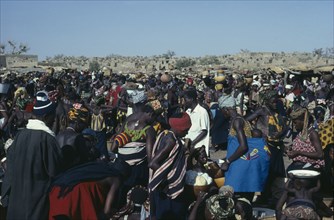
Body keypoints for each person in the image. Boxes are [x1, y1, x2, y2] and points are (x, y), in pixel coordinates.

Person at [1, 90, 64, 220]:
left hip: (16, 200)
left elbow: (10, 167)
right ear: (47, 116)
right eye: (52, 115)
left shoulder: (20, 136)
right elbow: (56, 172)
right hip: (36, 202)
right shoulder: (47, 140)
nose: (54, 118)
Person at [219, 95, 270, 202]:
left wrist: (227, 161)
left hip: (240, 163)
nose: (222, 113)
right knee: (245, 196)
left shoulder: (237, 122)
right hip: (244, 162)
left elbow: (243, 146)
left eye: (221, 110)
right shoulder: (241, 119)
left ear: (226, 109)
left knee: (236, 195)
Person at [49, 157, 131, 220]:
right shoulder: (116, 178)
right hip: (76, 193)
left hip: (60, 190)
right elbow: (107, 210)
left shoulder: (100, 169)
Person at [149, 112, 192, 220]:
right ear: (178, 128)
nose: (187, 133)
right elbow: (153, 163)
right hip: (165, 188)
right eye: (185, 130)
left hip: (165, 187)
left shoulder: (167, 134)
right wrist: (167, 180)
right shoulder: (171, 140)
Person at [184, 89, 210, 155]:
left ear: (191, 99)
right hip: (188, 146)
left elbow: (204, 131)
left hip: (198, 146)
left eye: (185, 99)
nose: (184, 102)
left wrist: (192, 143)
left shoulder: (202, 112)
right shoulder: (188, 112)